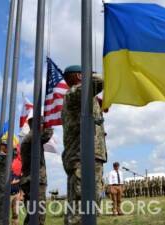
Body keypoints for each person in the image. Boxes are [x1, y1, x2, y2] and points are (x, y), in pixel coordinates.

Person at [61, 65, 108, 225]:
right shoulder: (74, 94)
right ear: (80, 77)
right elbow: (100, 80)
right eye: (88, 73)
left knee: (89, 207)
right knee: (82, 209)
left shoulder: (84, 98)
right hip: (83, 158)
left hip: (89, 157)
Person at [20, 117, 53, 225]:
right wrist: (50, 122)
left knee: (32, 215)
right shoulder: (32, 137)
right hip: (35, 181)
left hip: (31, 180)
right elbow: (47, 135)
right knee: (38, 215)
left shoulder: (29, 138)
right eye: (42, 124)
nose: (43, 127)